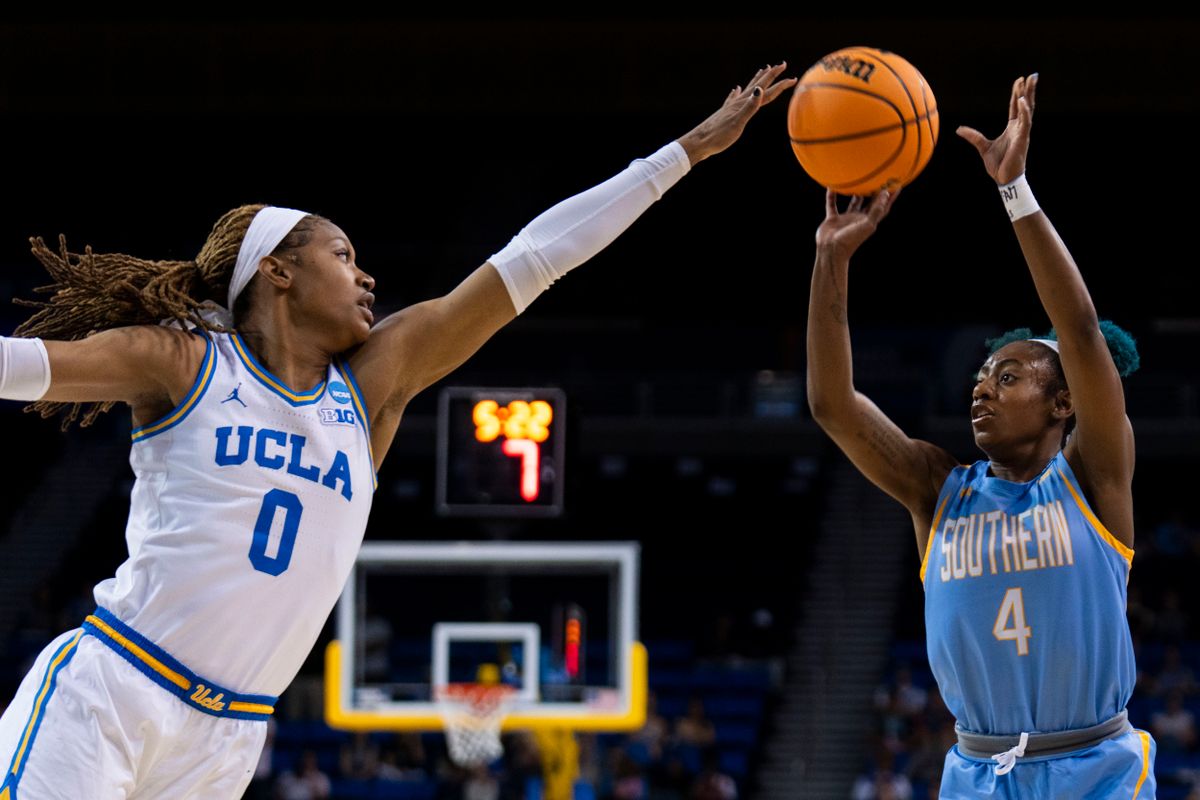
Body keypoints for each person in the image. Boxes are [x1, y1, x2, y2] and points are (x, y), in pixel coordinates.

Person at [0, 63, 797, 799]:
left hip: (231, 736)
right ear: (277, 271)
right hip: (116, 690)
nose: (367, 274)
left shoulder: (371, 390)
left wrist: (684, 153)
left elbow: (534, 259)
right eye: (343, 255)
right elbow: (24, 367)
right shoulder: (184, 363)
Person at [805, 74, 1156, 796]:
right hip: (976, 773)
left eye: (1008, 376)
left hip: (1097, 770)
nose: (981, 388)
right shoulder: (938, 489)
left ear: (1064, 405)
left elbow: (1082, 331)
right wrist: (830, 260)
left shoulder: (1094, 476)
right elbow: (832, 404)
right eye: (980, 376)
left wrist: (1015, 191)